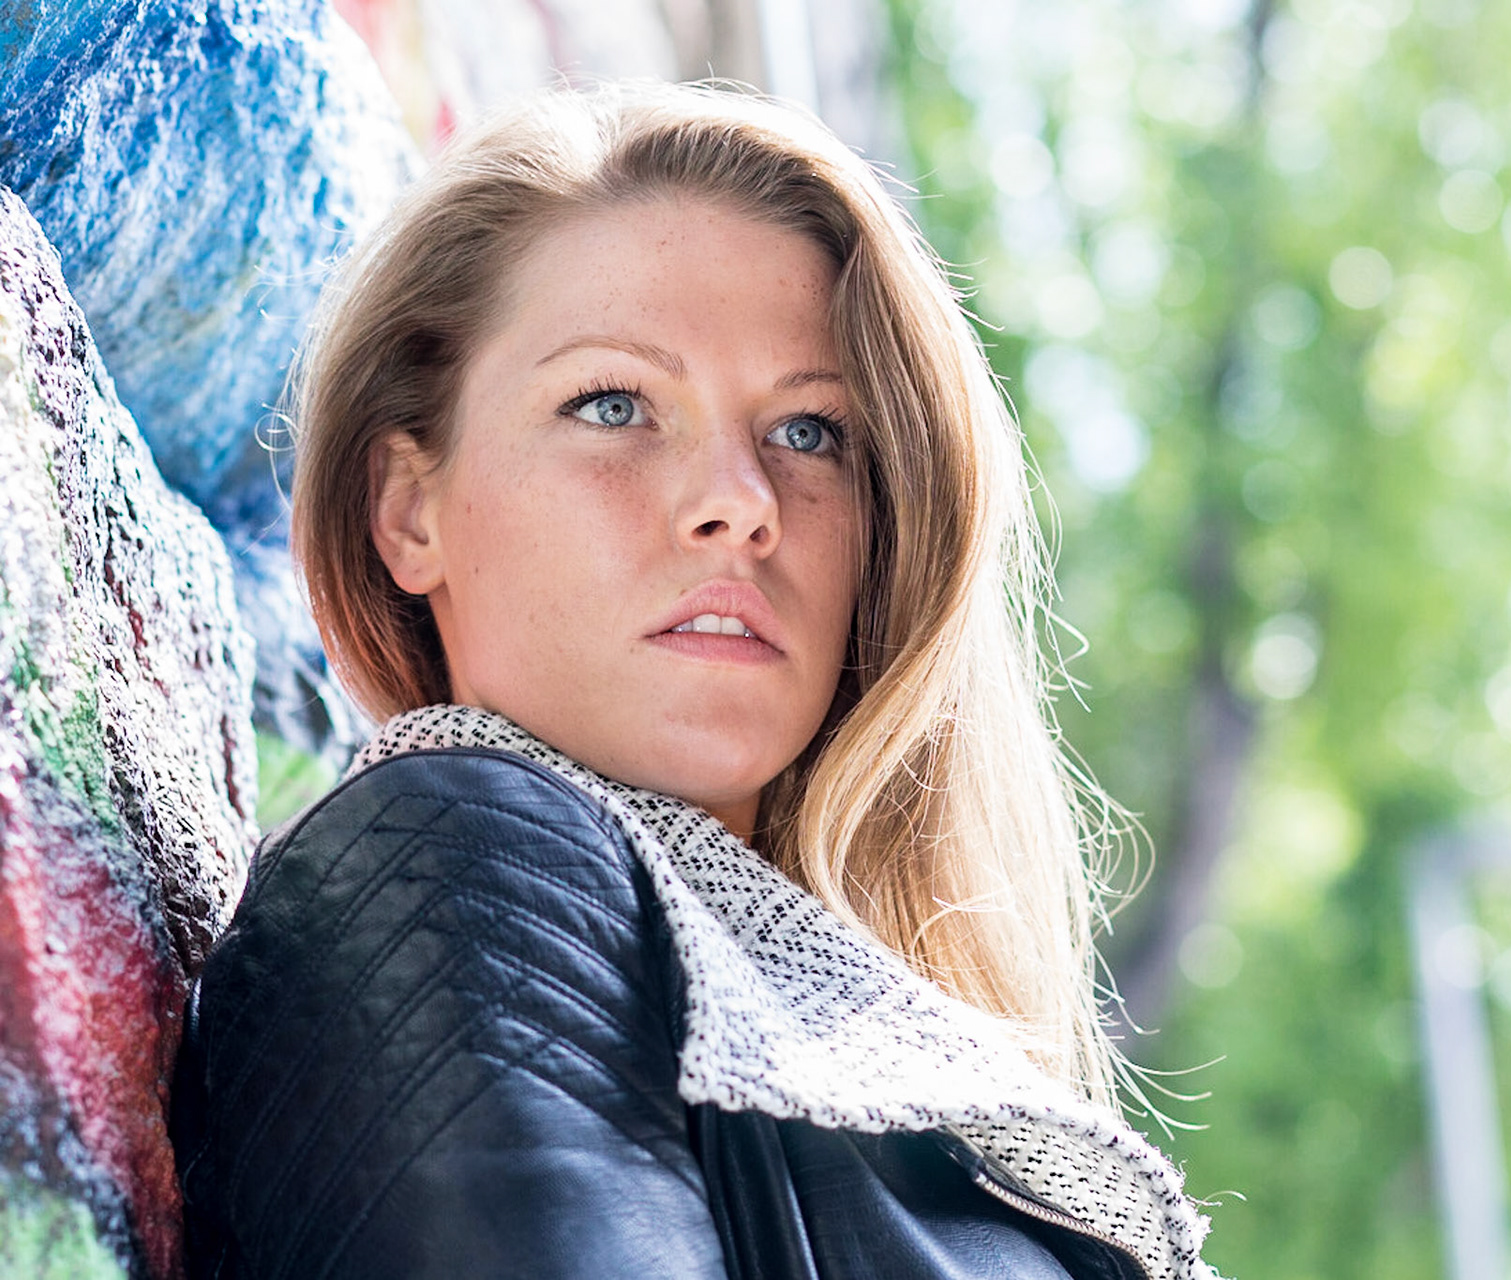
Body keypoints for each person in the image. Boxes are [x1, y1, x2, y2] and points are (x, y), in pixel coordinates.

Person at [170, 81, 1215, 1279]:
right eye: (613, 404)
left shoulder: (907, 1061)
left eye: (810, 431)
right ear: (409, 508)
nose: (741, 499)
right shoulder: (452, 851)